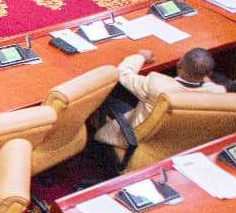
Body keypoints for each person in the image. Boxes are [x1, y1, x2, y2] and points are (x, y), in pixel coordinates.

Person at [95, 47, 223, 151]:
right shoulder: (217, 94)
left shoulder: (156, 84)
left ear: (179, 63)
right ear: (208, 74)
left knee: (106, 97)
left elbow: (122, 73)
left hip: (141, 140)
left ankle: (94, 145)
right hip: (179, 143)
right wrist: (202, 75)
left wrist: (141, 56)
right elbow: (211, 85)